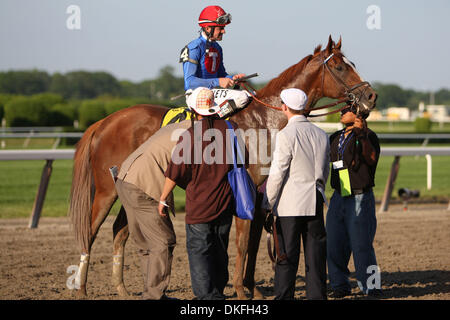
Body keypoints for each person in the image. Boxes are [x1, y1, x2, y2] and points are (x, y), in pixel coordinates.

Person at [158, 87, 240, 300]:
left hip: (199, 205)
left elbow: (175, 171)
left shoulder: (190, 135)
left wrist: (163, 198)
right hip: (224, 201)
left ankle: (206, 297)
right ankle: (218, 291)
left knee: (200, 252)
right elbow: (242, 162)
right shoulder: (231, 130)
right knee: (220, 250)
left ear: (194, 111)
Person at [113, 119, 192, 300]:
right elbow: (177, 170)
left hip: (125, 179)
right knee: (164, 241)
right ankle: (154, 296)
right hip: (144, 185)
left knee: (145, 243)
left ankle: (152, 293)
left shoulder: (177, 125)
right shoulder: (197, 132)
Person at [265, 88, 330, 300]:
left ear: (285, 107)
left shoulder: (285, 135)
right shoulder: (322, 134)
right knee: (316, 257)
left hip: (290, 204)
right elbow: (325, 170)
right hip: (315, 199)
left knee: (286, 257)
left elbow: (277, 173)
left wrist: (268, 202)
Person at [326, 105, 381, 298]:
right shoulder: (335, 137)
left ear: (358, 114)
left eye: (346, 110)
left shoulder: (369, 136)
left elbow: (371, 158)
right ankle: (339, 285)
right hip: (338, 196)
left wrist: (361, 135)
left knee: (361, 245)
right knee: (333, 244)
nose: (341, 112)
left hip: (360, 196)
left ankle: (372, 287)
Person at [179, 5, 249, 118]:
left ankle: (217, 120)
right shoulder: (194, 48)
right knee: (242, 97)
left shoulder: (217, 48)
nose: (224, 31)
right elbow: (189, 82)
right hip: (196, 94)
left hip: (212, 93)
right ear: (207, 28)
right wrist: (218, 82)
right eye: (220, 28)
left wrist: (233, 79)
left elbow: (222, 75)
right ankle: (214, 120)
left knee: (250, 95)